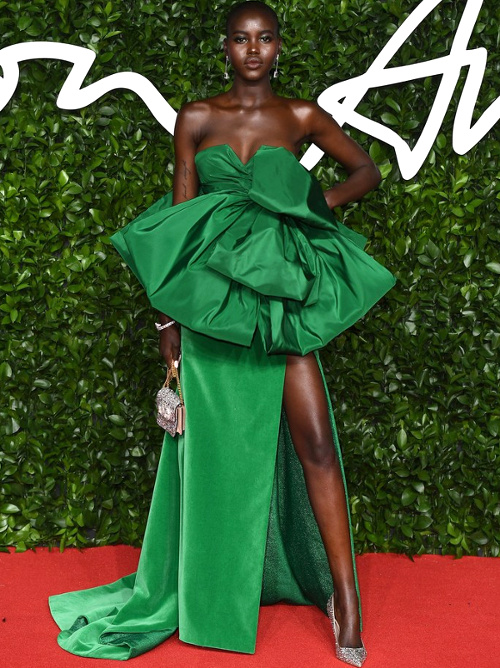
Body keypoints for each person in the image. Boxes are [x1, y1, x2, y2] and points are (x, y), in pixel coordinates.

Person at [48, 2, 396, 666]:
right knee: (217, 458)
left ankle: (346, 598)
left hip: (278, 301)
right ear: (225, 47)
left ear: (280, 47)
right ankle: (212, 593)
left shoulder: (301, 115)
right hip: (212, 305)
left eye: (265, 38)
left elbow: (367, 172)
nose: (253, 49)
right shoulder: (197, 117)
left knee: (316, 443)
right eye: (241, 38)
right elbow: (176, 228)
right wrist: (167, 321)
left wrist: (305, 206)